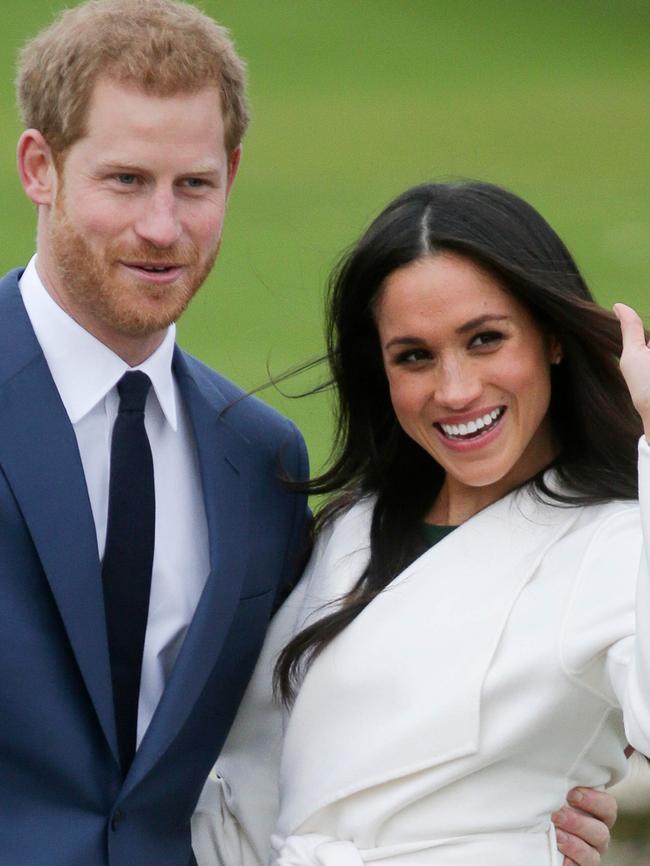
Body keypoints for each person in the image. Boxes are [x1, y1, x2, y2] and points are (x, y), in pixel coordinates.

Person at [192, 181, 649, 866]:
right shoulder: (351, 528)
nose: (456, 389)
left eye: (486, 340)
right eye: (415, 356)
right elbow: (255, 774)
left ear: (552, 338)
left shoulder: (615, 541)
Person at [0, 1, 310, 864]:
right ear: (41, 166)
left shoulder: (264, 458)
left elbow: (294, 720)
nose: (163, 229)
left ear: (232, 176)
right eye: (126, 179)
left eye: (195, 185)